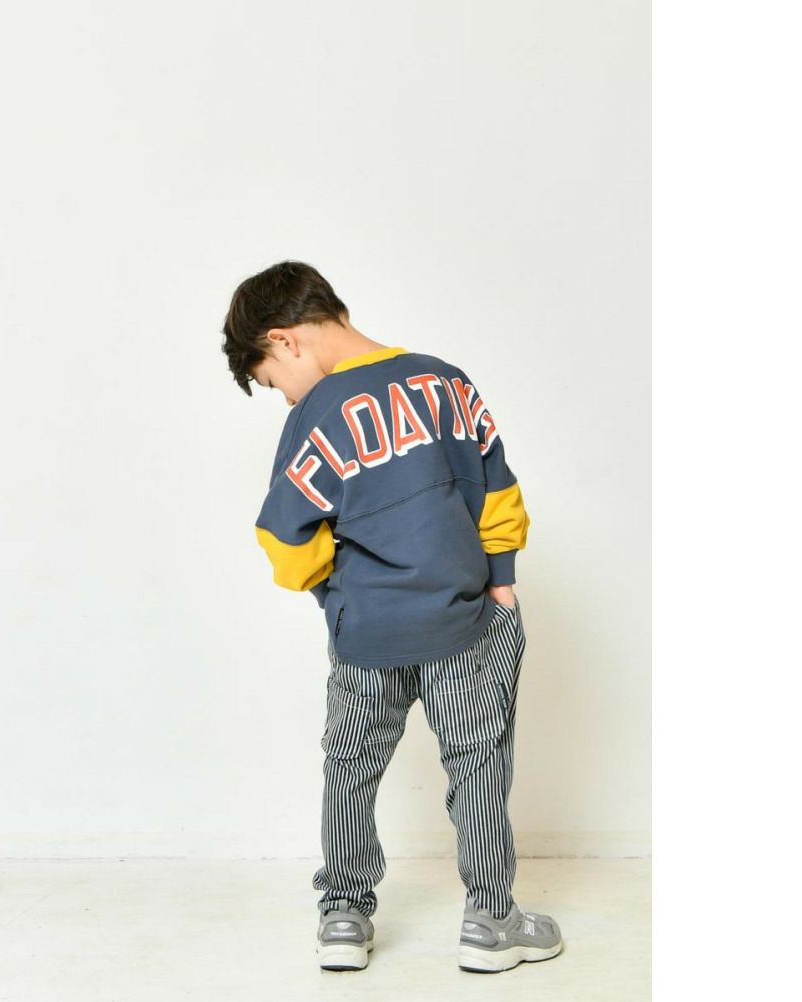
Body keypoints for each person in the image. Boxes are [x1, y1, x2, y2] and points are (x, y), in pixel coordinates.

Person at [221, 260, 563, 974]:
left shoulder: (317, 414)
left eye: (273, 381)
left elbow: (286, 542)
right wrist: (501, 582)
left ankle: (343, 916)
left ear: (284, 340)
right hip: (463, 621)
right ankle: (491, 922)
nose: (286, 397)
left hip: (366, 634)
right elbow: (497, 492)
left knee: (350, 766)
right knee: (478, 764)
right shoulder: (446, 382)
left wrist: (335, 594)